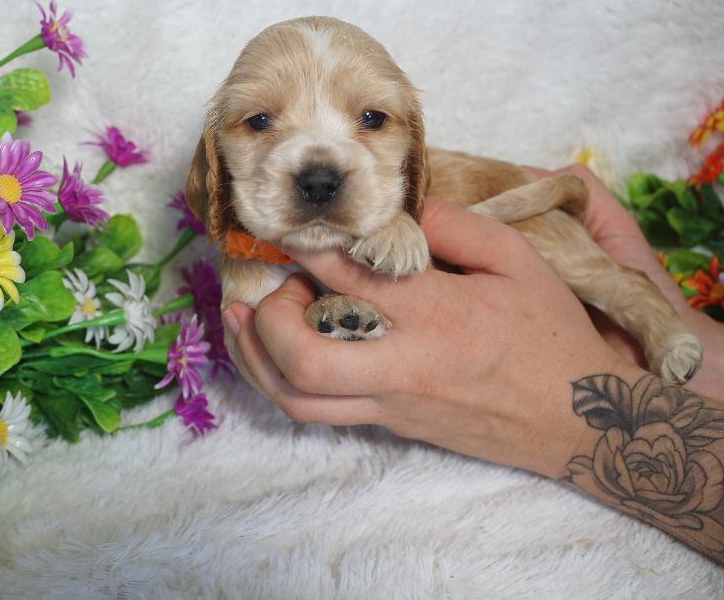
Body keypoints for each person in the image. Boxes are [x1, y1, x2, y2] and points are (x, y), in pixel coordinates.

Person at [221, 164, 724, 564]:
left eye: (371, 120)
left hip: (504, 224)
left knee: (590, 273)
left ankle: (658, 326)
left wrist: (562, 410)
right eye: (260, 122)